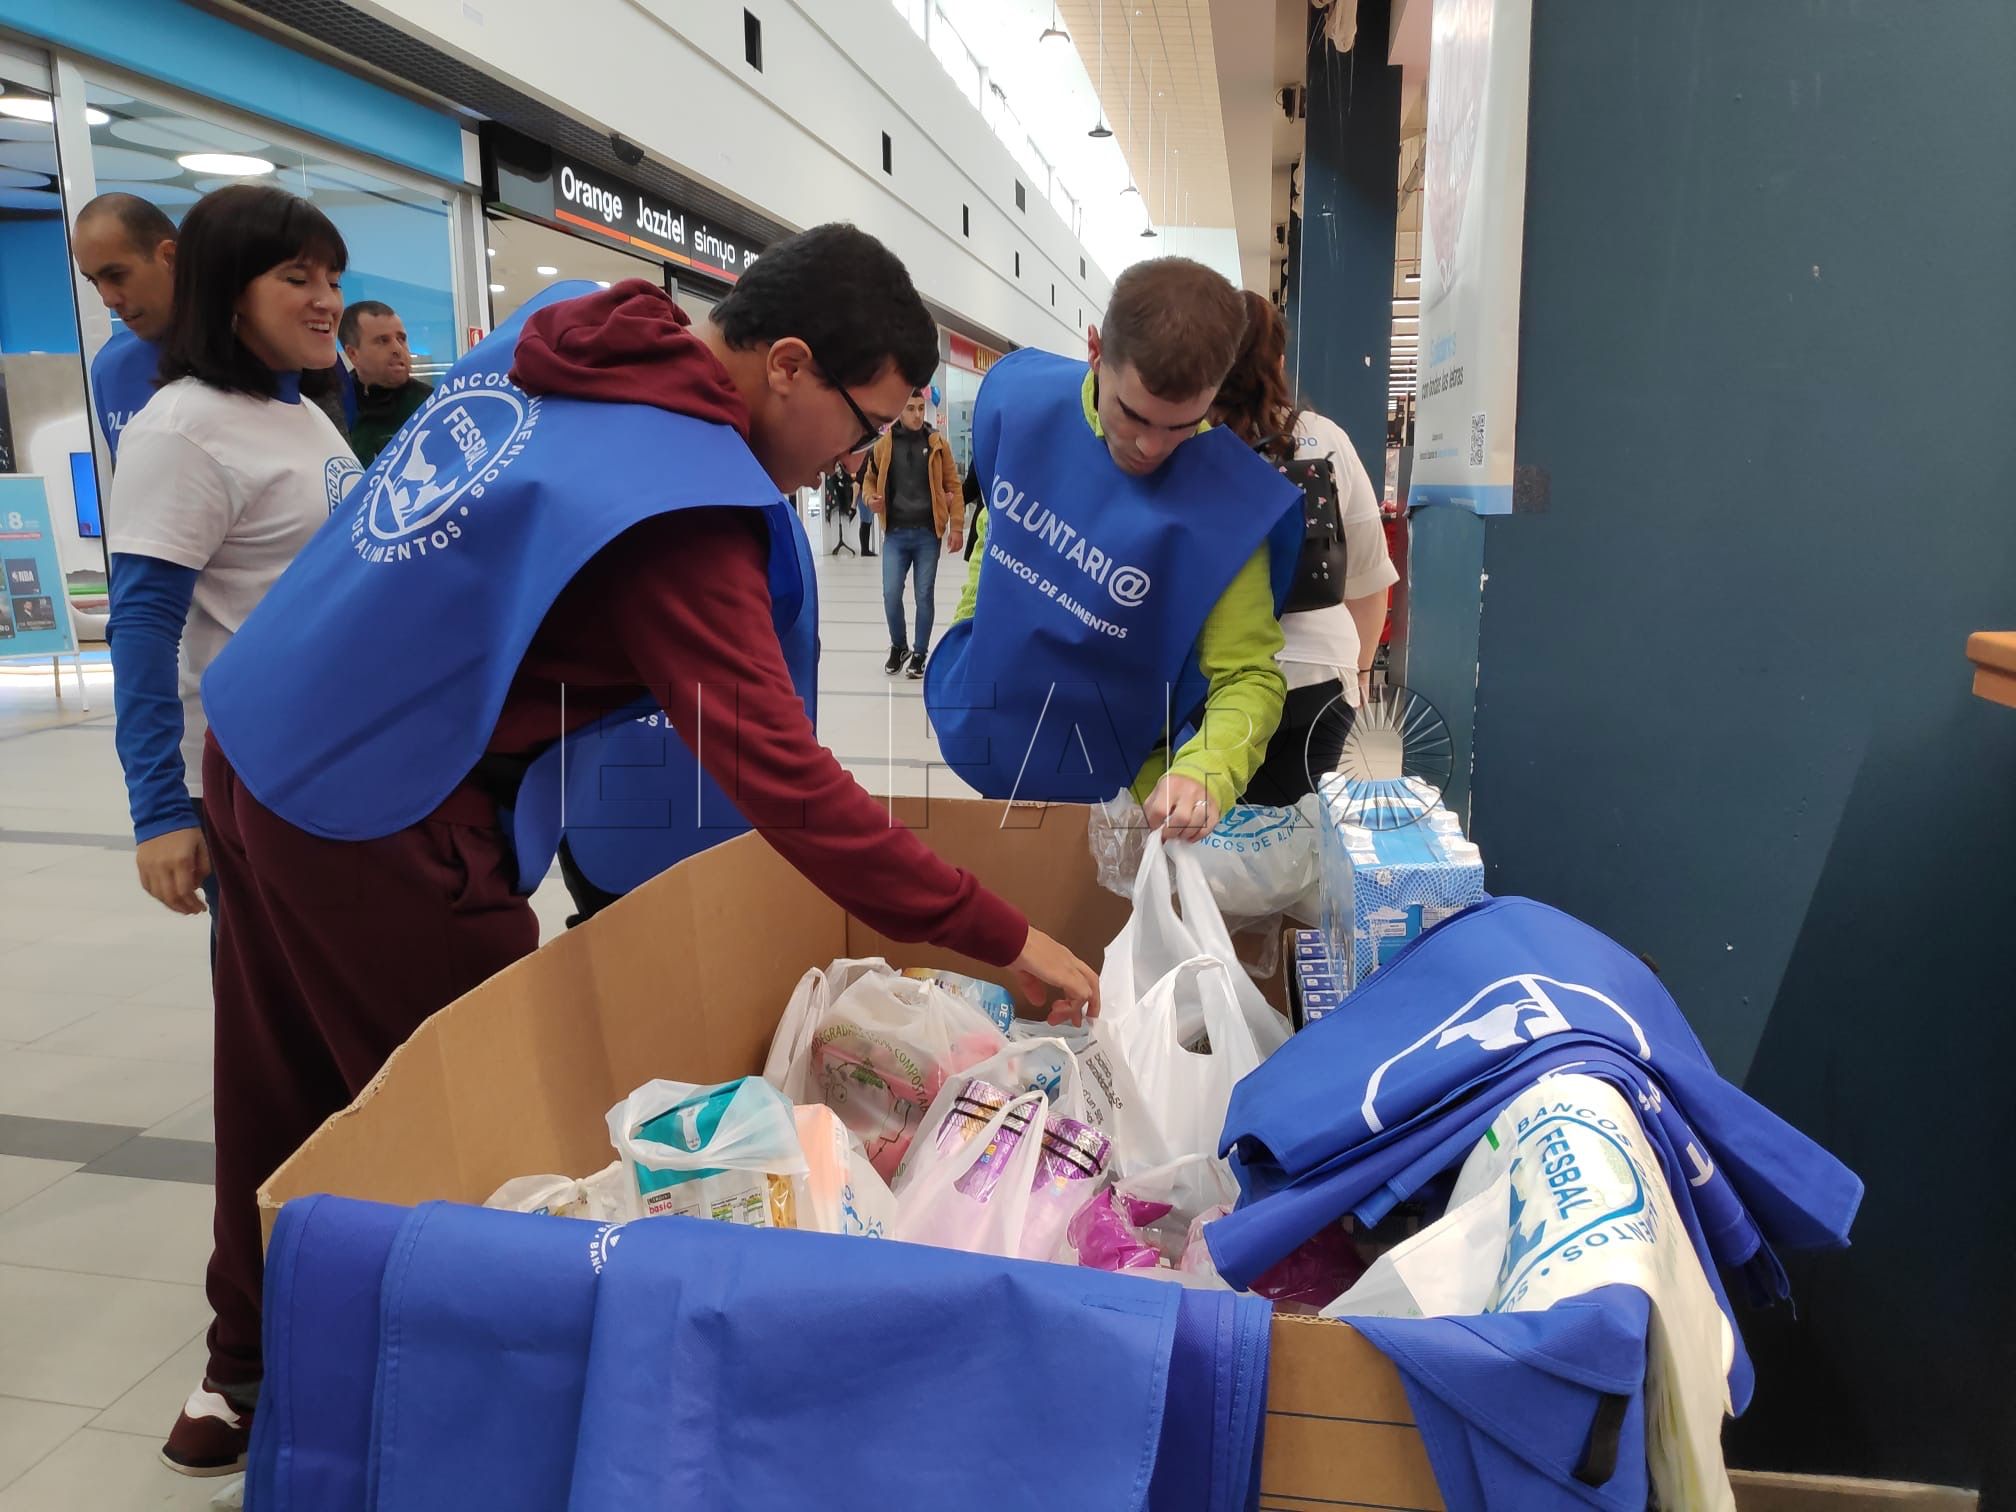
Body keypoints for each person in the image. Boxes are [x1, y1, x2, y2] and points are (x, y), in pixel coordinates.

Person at [190, 225, 1100, 1469]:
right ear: (787, 364)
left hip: (258, 726)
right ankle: (473, 1450)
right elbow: (793, 786)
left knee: (276, 1079)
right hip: (379, 802)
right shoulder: (685, 507)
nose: (865, 452)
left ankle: (236, 1375)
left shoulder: (572, 328)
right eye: (866, 421)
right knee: (495, 1155)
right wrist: (1012, 937)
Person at [925, 257, 1305, 841]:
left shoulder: (1227, 509)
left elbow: (1249, 678)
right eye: (1133, 414)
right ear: (1096, 350)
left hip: (1127, 793)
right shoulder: (1021, 407)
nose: (1151, 447)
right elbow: (994, 538)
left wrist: (1205, 773)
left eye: (1183, 425)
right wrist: (967, 639)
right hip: (998, 744)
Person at [104, 184, 358, 959]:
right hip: (246, 778)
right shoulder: (183, 428)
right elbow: (142, 627)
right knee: (283, 1021)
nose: (326, 302)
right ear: (229, 294)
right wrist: (159, 812)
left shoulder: (304, 412)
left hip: (330, 760)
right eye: (296, 278)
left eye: (333, 280)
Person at [1211, 291, 1397, 804]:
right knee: (1293, 831)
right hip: (1320, 674)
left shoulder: (1189, 436)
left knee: (1208, 829)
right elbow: (1368, 575)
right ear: (1278, 359)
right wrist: (1357, 676)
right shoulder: (1323, 438)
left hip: (1216, 684)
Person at [861, 388, 963, 676]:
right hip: (894, 534)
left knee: (924, 595)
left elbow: (953, 486)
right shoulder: (883, 446)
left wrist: (956, 526)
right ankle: (899, 645)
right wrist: (870, 499)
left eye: (921, 408)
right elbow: (868, 479)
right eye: (911, 408)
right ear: (899, 411)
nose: (918, 414)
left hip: (927, 535)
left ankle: (919, 652)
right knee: (890, 594)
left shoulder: (937, 444)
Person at [72, 192, 178, 461]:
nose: (108, 299)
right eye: (94, 281)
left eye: (116, 276)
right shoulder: (111, 367)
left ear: (169, 257)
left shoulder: (254, 354)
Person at [341, 298, 433, 464]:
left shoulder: (431, 405)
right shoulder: (334, 410)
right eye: (383, 341)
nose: (398, 349)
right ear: (353, 353)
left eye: (401, 339)